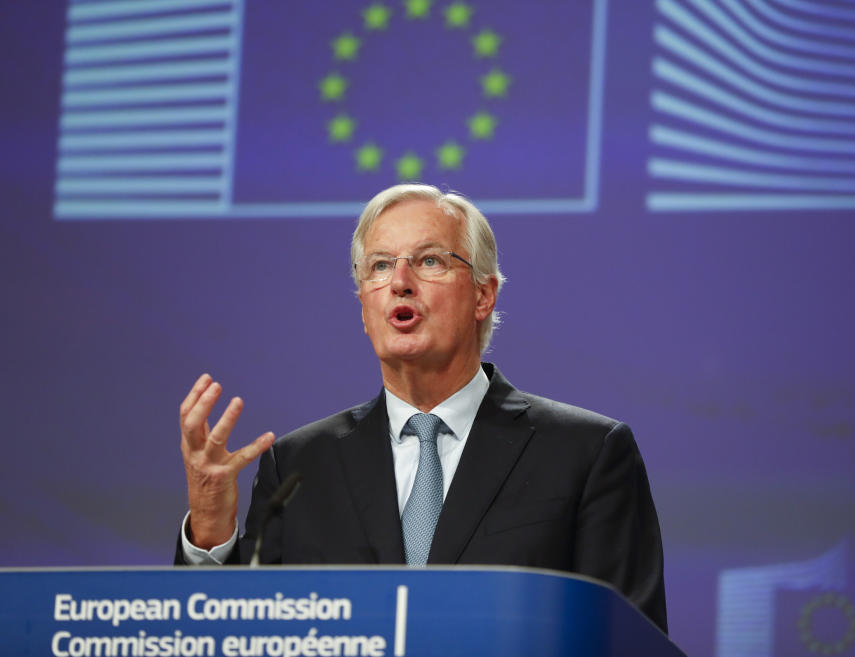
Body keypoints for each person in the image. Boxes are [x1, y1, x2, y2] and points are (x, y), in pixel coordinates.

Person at [176, 184, 668, 633]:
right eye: (380, 265)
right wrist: (210, 530)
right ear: (365, 308)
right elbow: (238, 637)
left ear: (483, 295)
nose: (400, 282)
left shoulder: (586, 454)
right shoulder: (299, 468)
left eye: (429, 261)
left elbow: (628, 640)